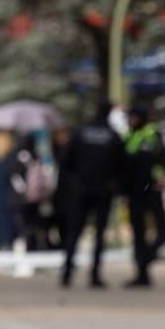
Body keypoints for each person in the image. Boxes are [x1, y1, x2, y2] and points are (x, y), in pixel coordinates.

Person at [58, 105, 125, 289]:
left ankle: (66, 273)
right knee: (99, 234)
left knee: (74, 232)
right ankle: (95, 274)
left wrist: (74, 182)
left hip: (81, 190)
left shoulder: (81, 133)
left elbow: (66, 161)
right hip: (103, 191)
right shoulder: (113, 136)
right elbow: (122, 165)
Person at [121, 105, 165, 288]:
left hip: (153, 189)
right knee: (138, 234)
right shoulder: (127, 137)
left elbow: (161, 160)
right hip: (134, 192)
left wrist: (160, 177)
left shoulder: (152, 135)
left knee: (163, 229)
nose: (130, 121)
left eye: (133, 117)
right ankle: (142, 274)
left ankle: (147, 257)